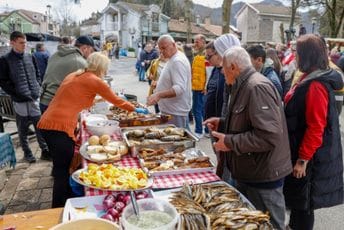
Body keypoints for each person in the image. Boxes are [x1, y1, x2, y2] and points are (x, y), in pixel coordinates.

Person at [37, 52, 147, 208]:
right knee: (61, 171)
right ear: (102, 67)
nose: (107, 71)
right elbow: (116, 100)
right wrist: (134, 108)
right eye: (106, 67)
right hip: (59, 127)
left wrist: (100, 97)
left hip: (47, 123)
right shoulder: (95, 80)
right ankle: (59, 208)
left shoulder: (76, 74)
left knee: (60, 167)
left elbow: (77, 96)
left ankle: (66, 199)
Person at [204, 46, 292, 229]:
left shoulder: (256, 87)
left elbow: (269, 136)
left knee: (271, 225)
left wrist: (229, 142)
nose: (221, 72)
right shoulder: (245, 84)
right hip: (252, 172)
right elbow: (248, 121)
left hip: (263, 177)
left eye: (223, 68)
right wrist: (222, 123)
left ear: (234, 67)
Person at [283, 34, 343, 230]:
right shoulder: (310, 77)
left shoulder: (316, 84)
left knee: (303, 206)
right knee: (299, 204)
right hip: (302, 150)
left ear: (307, 55)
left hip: (310, 159)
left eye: (297, 54)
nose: (295, 58)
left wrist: (302, 160)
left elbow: (316, 127)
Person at [0, 31, 49, 163]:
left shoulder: (30, 56)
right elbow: (3, 81)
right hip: (20, 101)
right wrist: (16, 93)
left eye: (25, 42)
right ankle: (27, 153)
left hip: (33, 98)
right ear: (12, 42)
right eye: (21, 43)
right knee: (22, 129)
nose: (24, 45)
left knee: (39, 126)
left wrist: (37, 87)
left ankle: (44, 151)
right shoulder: (4, 60)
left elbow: (37, 73)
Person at [40, 35, 97, 114]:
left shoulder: (55, 54)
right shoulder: (79, 62)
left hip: (44, 101)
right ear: (84, 48)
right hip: (58, 106)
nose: (91, 54)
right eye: (91, 51)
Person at [147, 34, 192, 128]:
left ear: (173, 45)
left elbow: (179, 89)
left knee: (179, 138)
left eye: (164, 48)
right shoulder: (173, 59)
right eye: (160, 49)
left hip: (176, 112)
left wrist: (158, 95)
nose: (161, 51)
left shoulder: (177, 61)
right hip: (172, 111)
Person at [191, 34, 207, 137]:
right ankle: (206, 130)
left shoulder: (206, 54)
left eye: (197, 41)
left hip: (201, 87)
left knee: (197, 109)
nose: (195, 43)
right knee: (201, 109)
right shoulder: (196, 54)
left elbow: (209, 72)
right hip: (195, 86)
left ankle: (198, 131)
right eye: (194, 41)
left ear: (203, 42)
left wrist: (206, 86)